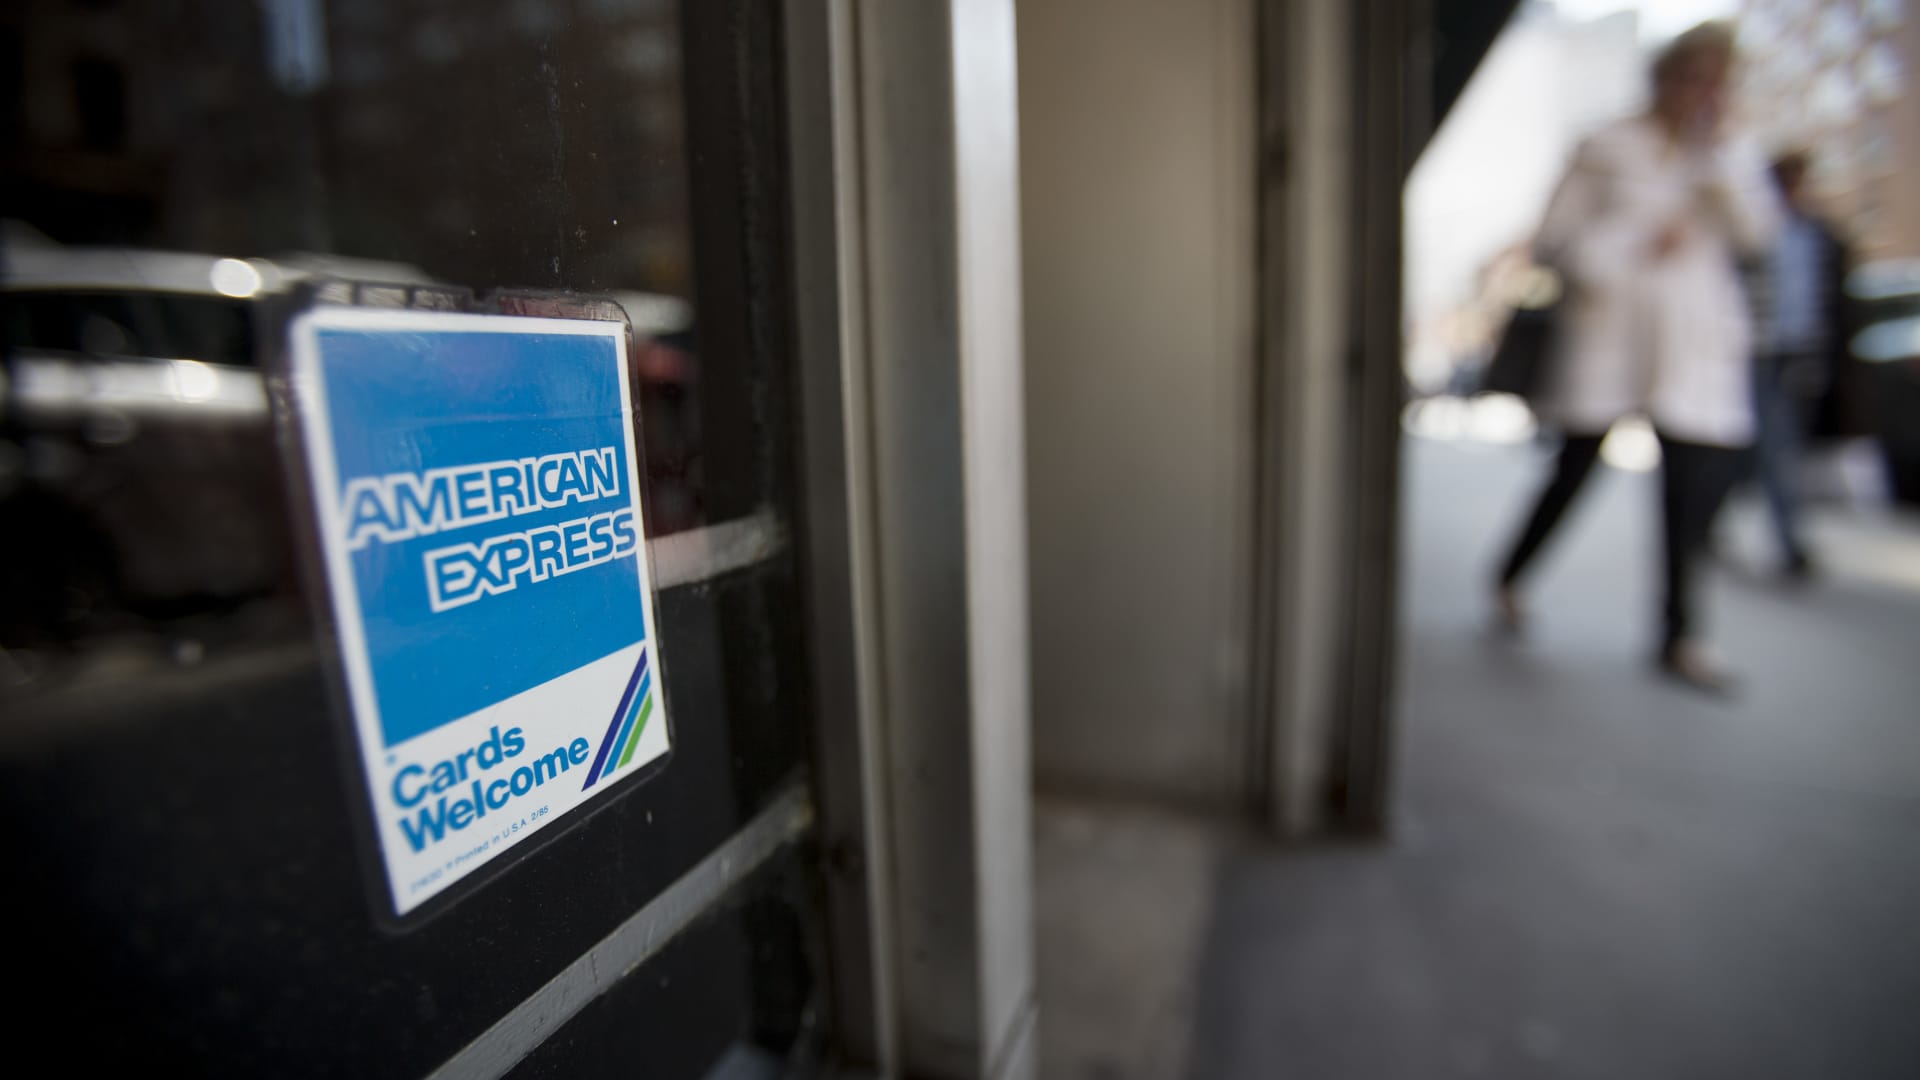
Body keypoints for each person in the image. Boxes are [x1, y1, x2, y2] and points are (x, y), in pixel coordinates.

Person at [1491, 22, 1781, 693]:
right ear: (1664, 77)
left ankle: (1681, 636)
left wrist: (1718, 171)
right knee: (1573, 471)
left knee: (1689, 494)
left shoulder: (1732, 154)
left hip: (1693, 349)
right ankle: (1509, 576)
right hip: (1612, 335)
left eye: (1717, 83)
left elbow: (1759, 236)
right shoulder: (1606, 144)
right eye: (1693, 77)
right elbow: (1555, 240)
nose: (1702, 94)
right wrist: (1634, 243)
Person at [1745, 150, 1850, 580]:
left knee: (1783, 448)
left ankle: (1785, 539)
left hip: (1803, 352)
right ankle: (1789, 542)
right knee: (1772, 448)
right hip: (1758, 352)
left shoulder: (1818, 232)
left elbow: (1834, 295)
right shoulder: (1753, 227)